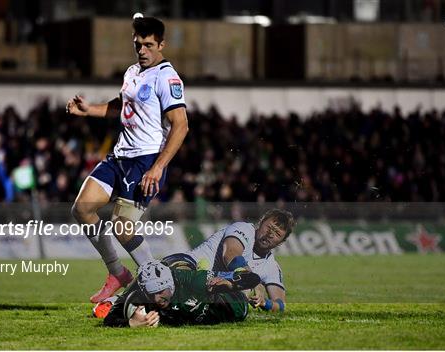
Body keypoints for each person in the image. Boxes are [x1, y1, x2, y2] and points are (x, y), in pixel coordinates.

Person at [66, 17, 189, 303]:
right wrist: (89, 110)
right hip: (119, 155)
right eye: (138, 45)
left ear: (161, 44)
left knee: (122, 227)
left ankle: (158, 283)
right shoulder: (133, 71)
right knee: (82, 209)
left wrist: (158, 167)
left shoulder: (167, 77)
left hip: (145, 161)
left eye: (148, 45)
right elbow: (123, 106)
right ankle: (118, 274)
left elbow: (180, 125)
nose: (142, 50)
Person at [162, 209, 295, 313]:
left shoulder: (271, 266)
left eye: (277, 234)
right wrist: (252, 281)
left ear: (281, 242)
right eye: (269, 227)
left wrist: (265, 303)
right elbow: (230, 254)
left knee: (239, 301)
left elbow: (281, 304)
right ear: (260, 222)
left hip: (209, 289)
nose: (270, 234)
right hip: (185, 264)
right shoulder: (243, 229)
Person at [99, 260, 260, 327]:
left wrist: (230, 284)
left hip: (236, 305)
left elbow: (253, 278)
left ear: (170, 283)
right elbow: (110, 320)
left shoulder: (194, 280)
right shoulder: (141, 289)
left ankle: (204, 264)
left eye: (161, 291)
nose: (157, 298)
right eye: (151, 293)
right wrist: (132, 323)